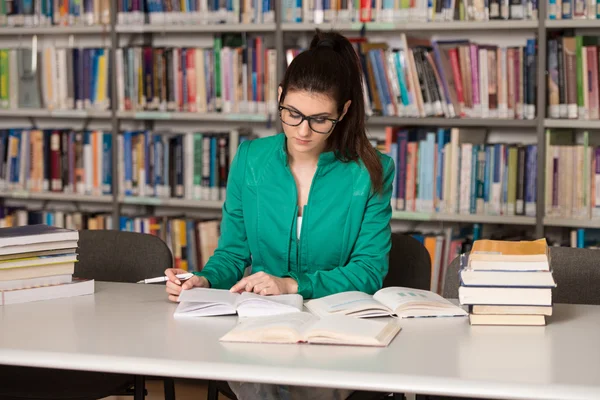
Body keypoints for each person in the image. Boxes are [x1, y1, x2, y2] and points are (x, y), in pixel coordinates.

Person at [164, 29, 395, 400]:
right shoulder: (251, 160)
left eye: (320, 119)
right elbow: (233, 253)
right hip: (264, 325)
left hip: (333, 326)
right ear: (279, 98)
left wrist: (291, 285)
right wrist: (203, 281)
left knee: (314, 383)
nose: (303, 130)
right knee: (255, 375)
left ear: (344, 111)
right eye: (293, 114)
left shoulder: (371, 171)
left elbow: (368, 270)